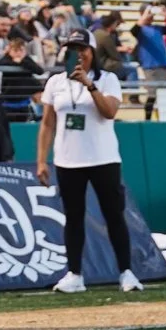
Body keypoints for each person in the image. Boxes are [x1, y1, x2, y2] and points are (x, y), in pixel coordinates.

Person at [34, 38, 142, 295]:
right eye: (73, 50)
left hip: (103, 158)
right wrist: (41, 160)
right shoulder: (56, 82)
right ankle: (74, 274)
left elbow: (109, 112)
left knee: (114, 215)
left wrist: (89, 85)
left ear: (92, 51)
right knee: (73, 217)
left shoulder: (107, 79)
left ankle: (126, 272)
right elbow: (48, 123)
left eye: (82, 49)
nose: (78, 54)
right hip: (67, 159)